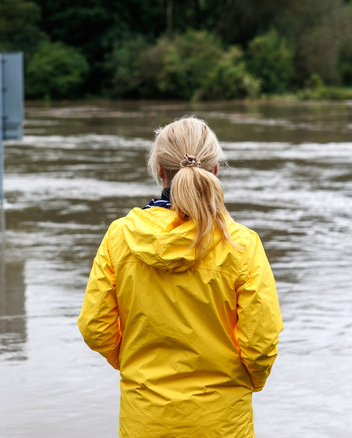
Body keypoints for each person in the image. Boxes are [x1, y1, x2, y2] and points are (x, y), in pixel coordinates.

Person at [77, 116, 283, 438]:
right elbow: (260, 343)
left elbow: (95, 327)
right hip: (222, 422)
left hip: (144, 418)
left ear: (160, 171)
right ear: (214, 171)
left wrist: (134, 363)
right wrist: (247, 381)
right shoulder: (241, 245)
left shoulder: (120, 237)